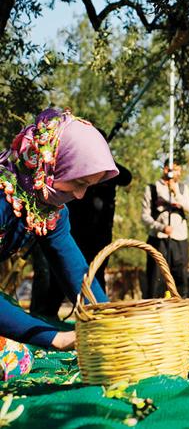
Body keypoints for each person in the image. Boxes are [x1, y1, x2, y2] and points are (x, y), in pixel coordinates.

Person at [0, 108, 118, 379]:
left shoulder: (49, 209)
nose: (80, 195)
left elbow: (74, 271)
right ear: (47, 162)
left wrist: (107, 319)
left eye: (88, 185)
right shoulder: (2, 196)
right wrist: (56, 338)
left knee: (15, 354)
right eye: (77, 182)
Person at [30, 133, 132, 316]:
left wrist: (103, 159)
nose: (80, 193)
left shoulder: (109, 170)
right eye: (79, 183)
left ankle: (97, 315)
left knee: (95, 275)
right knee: (56, 279)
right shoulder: (76, 170)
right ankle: (45, 318)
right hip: (73, 233)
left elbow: (126, 177)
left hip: (99, 239)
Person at [141, 163, 189, 299]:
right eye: (176, 170)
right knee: (156, 277)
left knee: (180, 276)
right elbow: (145, 216)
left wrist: (175, 193)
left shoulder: (182, 188)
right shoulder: (152, 189)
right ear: (166, 169)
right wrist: (161, 227)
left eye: (179, 171)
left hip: (180, 239)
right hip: (158, 238)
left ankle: (180, 308)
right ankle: (154, 309)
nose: (179, 174)